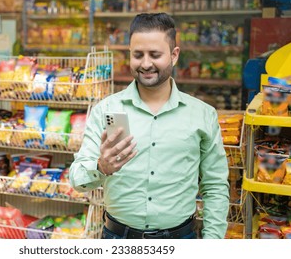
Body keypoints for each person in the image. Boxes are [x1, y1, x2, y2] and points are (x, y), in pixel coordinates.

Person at [69, 13, 229, 239]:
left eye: (155, 55)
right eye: (138, 55)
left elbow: (215, 186)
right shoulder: (106, 110)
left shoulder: (202, 115)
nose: (145, 64)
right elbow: (76, 179)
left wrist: (212, 244)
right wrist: (101, 167)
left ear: (174, 55)